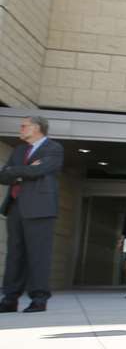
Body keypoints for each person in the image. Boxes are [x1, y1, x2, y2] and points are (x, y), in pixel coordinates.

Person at [0, 116, 64, 313]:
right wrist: (24, 170)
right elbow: (3, 175)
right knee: (14, 255)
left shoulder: (53, 148)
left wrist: (16, 172)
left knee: (38, 255)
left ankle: (39, 299)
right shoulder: (19, 150)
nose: (21, 129)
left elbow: (42, 170)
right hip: (16, 207)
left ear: (37, 128)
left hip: (40, 209)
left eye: (24, 126)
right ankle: (10, 298)